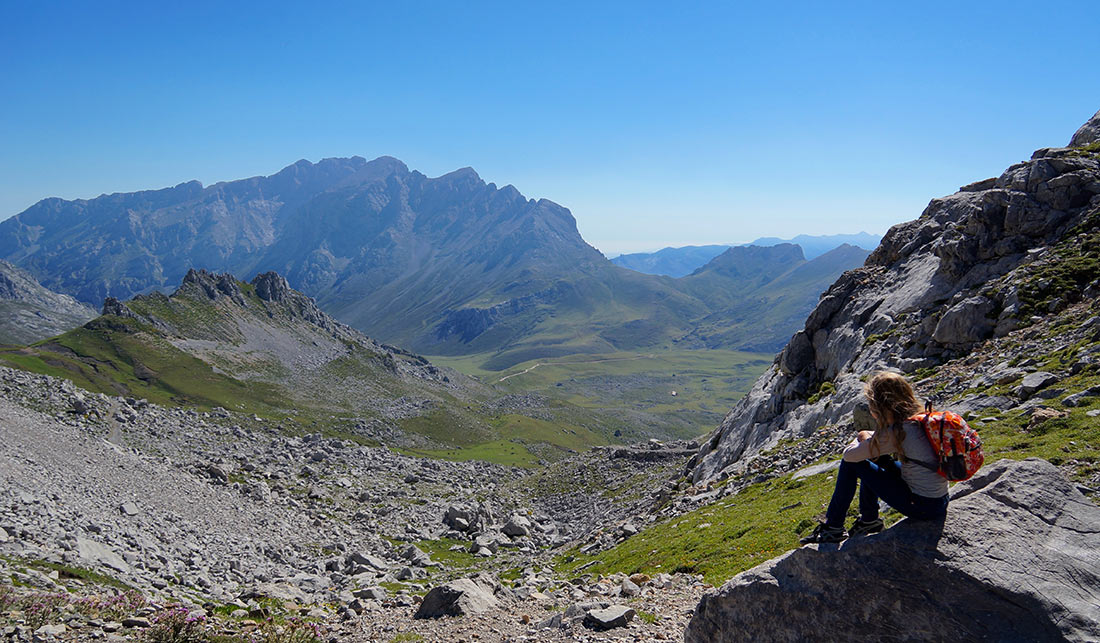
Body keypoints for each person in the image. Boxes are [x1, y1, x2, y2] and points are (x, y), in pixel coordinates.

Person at [800, 371, 949, 544]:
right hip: (940, 499)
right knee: (878, 459)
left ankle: (834, 527)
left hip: (923, 507)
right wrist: (870, 440)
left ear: (880, 406)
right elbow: (884, 443)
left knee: (851, 463)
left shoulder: (896, 432)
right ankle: (869, 521)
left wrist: (861, 438)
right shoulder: (919, 420)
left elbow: (849, 456)